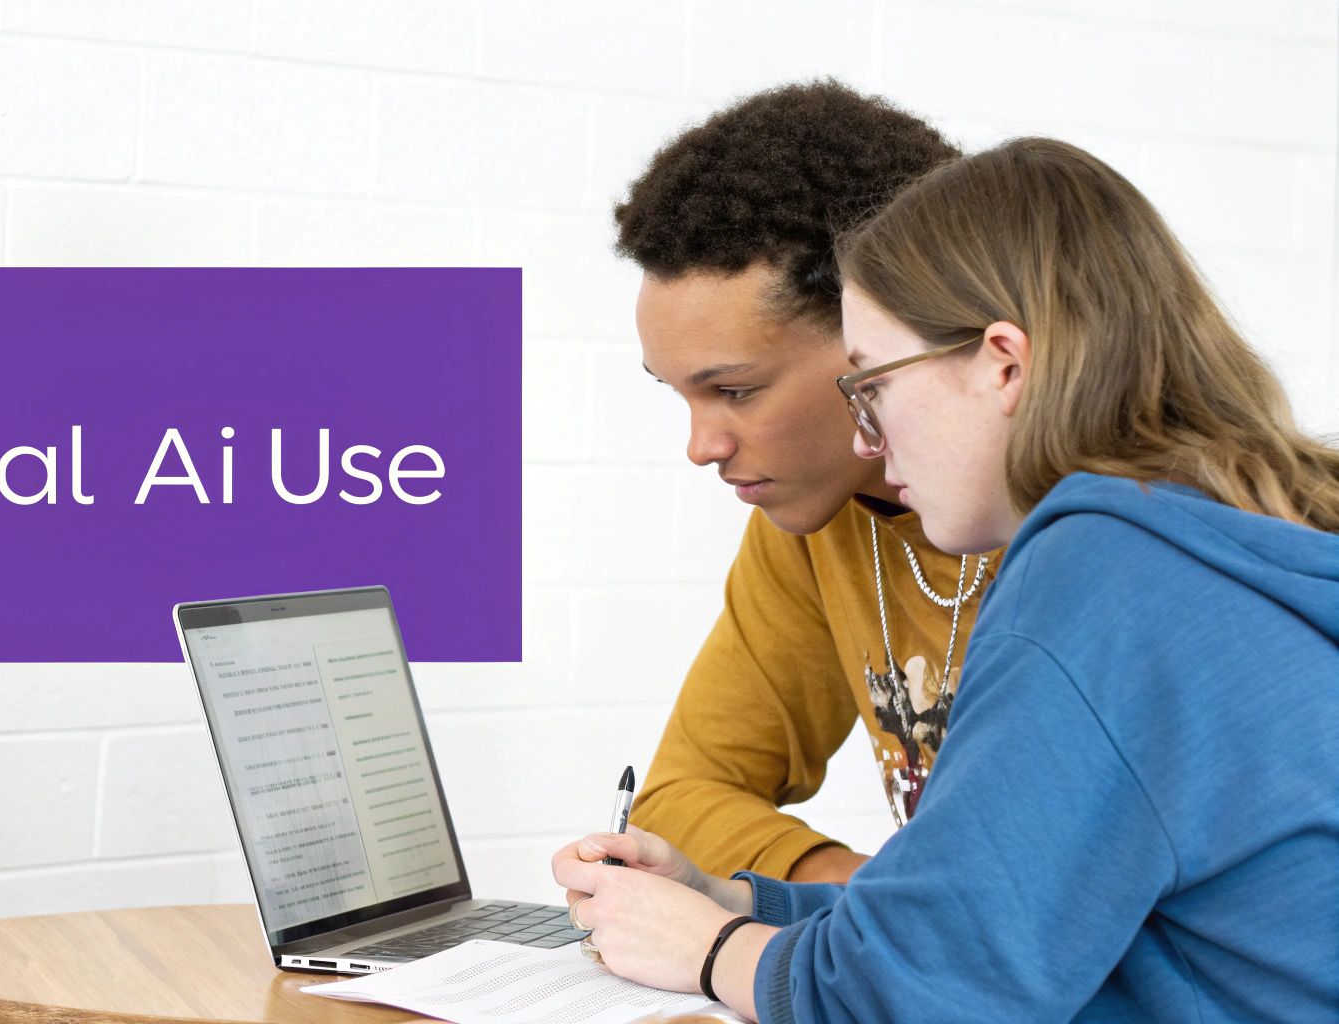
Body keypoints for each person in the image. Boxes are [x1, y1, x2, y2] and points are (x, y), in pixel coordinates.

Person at [553, 136, 1339, 1022]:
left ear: (1004, 363)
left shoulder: (1105, 576)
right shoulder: (1195, 534)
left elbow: (927, 995)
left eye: (874, 385)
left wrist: (718, 950)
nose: (867, 441)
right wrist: (762, 908)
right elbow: (1024, 925)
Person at [616, 80, 1001, 884]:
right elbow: (681, 800)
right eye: (678, 391)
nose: (701, 446)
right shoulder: (814, 522)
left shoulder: (1111, 536)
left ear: (880, 335)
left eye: (736, 390)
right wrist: (873, 904)